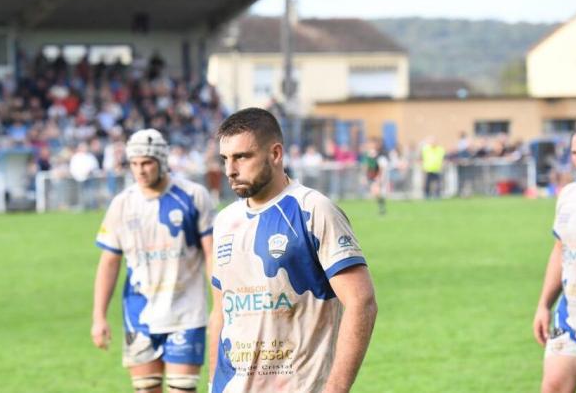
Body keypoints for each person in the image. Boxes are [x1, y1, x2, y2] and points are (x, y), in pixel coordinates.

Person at [209, 108, 377, 393]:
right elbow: (220, 313)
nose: (230, 170)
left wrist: (336, 387)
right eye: (225, 159)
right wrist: (213, 383)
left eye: (242, 157)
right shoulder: (224, 222)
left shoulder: (312, 210)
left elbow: (362, 302)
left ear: (275, 154)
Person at [91, 128, 215, 393]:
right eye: (134, 164)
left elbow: (211, 253)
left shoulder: (193, 196)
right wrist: (98, 317)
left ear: (162, 161)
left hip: (186, 313)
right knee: (146, 390)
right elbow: (109, 263)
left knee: (182, 389)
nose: (140, 170)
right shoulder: (121, 205)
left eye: (147, 162)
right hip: (140, 315)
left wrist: (222, 304)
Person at [534, 125, 576, 393]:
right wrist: (544, 305)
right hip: (571, 318)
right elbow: (560, 250)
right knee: (552, 387)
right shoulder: (569, 196)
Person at [363, 137, 388, 215]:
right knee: (375, 193)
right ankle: (381, 206)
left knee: (376, 191)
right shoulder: (368, 154)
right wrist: (364, 176)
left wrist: (379, 177)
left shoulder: (378, 155)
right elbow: (366, 166)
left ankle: (382, 207)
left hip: (376, 176)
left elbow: (381, 167)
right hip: (371, 176)